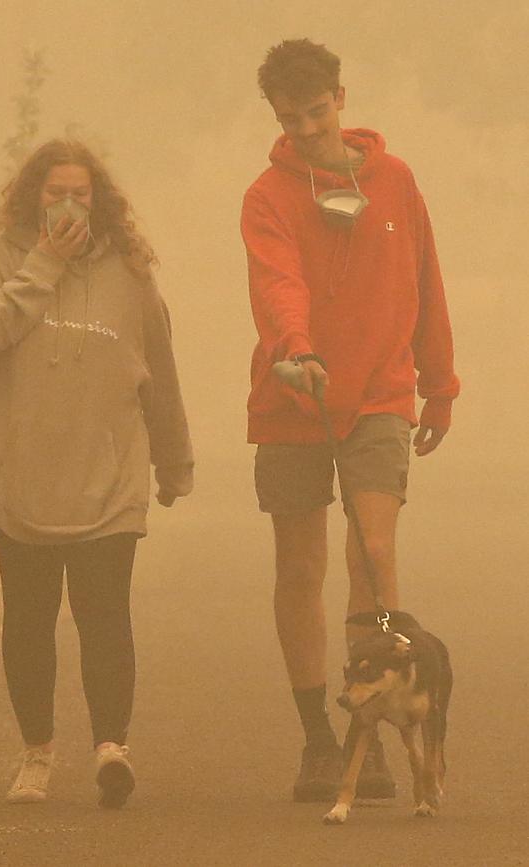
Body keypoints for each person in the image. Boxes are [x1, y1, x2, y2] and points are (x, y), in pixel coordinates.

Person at [241, 40, 459, 802]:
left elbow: (425, 279)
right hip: (294, 395)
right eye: (287, 117)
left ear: (341, 96)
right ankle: (318, 740)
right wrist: (295, 351)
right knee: (300, 567)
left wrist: (441, 384)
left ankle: (383, 721)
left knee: (373, 548)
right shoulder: (268, 194)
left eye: (315, 110)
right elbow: (278, 282)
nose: (304, 128)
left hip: (380, 395)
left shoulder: (395, 182)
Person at [0, 139, 193, 808]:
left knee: (105, 614)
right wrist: (43, 264)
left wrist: (174, 462)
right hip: (22, 482)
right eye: (54, 192)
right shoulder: (1, 254)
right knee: (28, 620)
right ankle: (37, 752)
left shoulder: (130, 268)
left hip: (111, 481)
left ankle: (112, 747)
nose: (67, 203)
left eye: (79, 193)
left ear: (98, 199)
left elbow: (160, 371)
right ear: (35, 195)